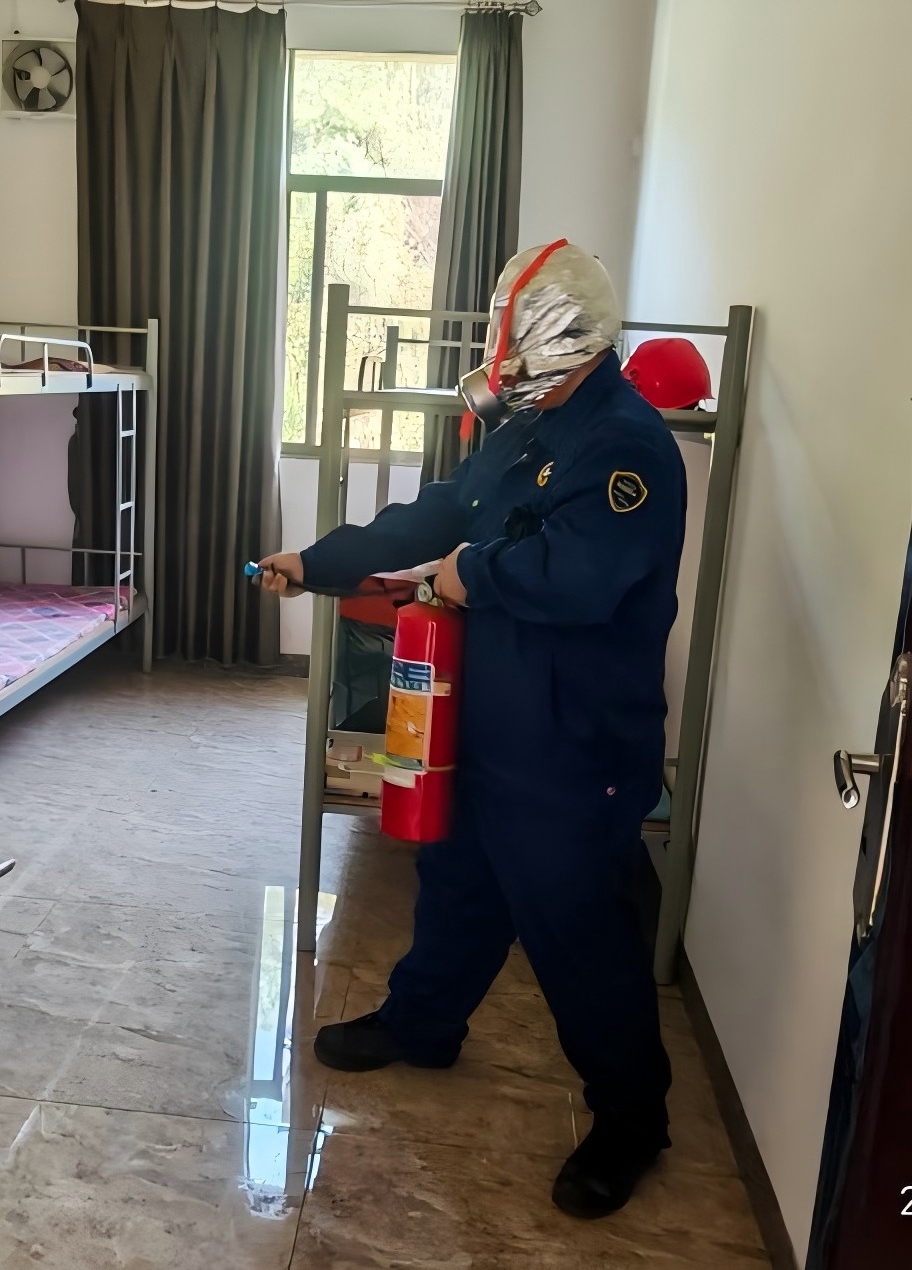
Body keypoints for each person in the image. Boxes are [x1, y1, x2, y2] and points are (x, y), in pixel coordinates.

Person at [260, 242, 686, 1219]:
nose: (505, 358)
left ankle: (632, 1117)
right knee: (457, 884)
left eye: (518, 340)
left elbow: (578, 579)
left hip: (573, 743)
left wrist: (468, 573)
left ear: (565, 339)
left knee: (577, 933)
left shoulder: (627, 446)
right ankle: (423, 1024)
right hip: (491, 718)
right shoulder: (525, 426)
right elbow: (439, 513)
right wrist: (319, 561)